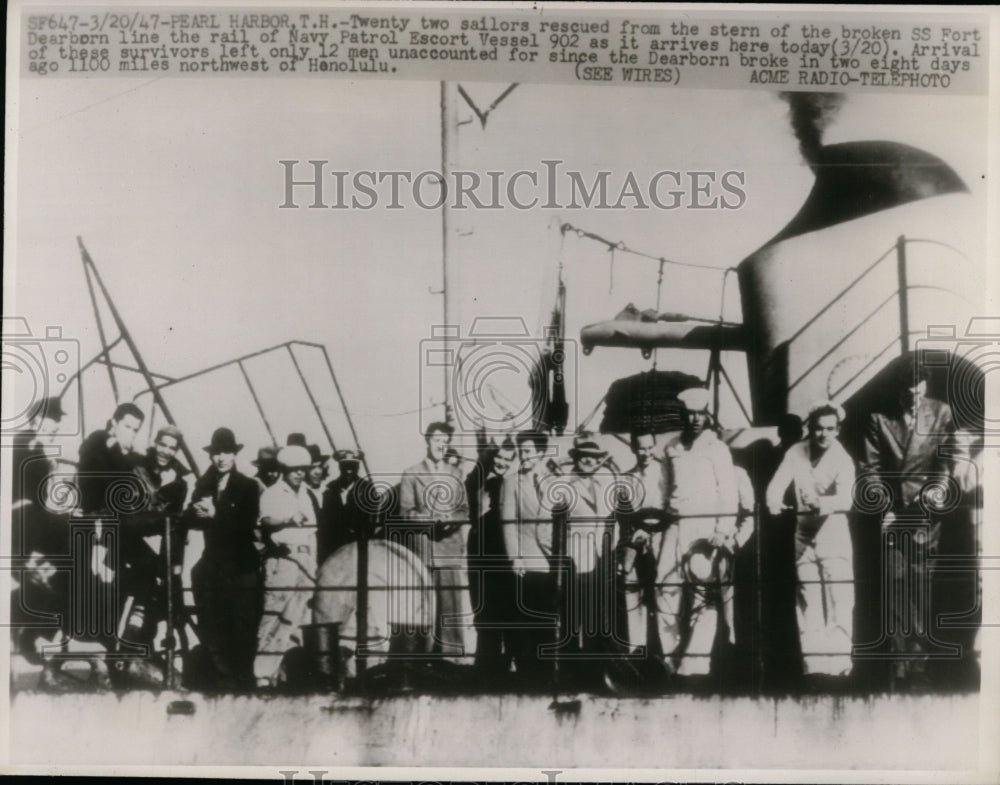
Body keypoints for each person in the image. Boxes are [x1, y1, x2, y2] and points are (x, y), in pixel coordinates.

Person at [857, 357, 969, 688]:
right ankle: (899, 668)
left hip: (925, 516)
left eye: (918, 393)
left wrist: (934, 493)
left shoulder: (942, 412)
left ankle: (919, 666)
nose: (913, 399)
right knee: (894, 587)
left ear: (925, 388)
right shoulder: (878, 419)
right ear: (898, 392)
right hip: (892, 516)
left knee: (921, 587)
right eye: (908, 395)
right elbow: (869, 469)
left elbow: (945, 463)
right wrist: (884, 508)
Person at [662, 387, 750, 677]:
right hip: (676, 526)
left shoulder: (717, 449)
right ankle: (667, 658)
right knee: (666, 589)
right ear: (682, 416)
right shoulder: (672, 447)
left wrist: (722, 530)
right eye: (690, 414)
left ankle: (695, 664)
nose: (695, 420)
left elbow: (728, 493)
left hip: (705, 529)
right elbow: (665, 489)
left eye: (700, 414)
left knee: (703, 595)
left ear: (707, 415)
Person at [766, 402, 855, 677]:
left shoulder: (842, 458)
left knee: (838, 598)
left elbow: (847, 499)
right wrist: (774, 502)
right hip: (804, 536)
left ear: (837, 430)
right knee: (808, 599)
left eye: (830, 429)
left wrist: (822, 503)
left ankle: (840, 666)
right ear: (810, 429)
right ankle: (815, 666)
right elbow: (776, 485)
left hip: (833, 535)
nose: (823, 435)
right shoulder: (796, 452)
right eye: (818, 428)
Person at [184, 427, 261, 692]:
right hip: (214, 568)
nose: (221, 458)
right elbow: (190, 517)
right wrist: (196, 511)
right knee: (213, 627)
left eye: (227, 452)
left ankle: (243, 684)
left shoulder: (248, 487)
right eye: (217, 453)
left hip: (240, 567)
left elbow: (245, 525)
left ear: (234, 454)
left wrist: (215, 515)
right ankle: (223, 682)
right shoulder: (204, 485)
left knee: (242, 629)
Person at [397, 421, 470, 658]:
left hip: (449, 550)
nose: (441, 445)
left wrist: (451, 518)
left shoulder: (456, 474)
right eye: (437, 440)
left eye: (445, 442)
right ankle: (421, 658)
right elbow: (405, 513)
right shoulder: (411, 473)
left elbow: (464, 511)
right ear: (427, 441)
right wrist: (431, 518)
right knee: (423, 606)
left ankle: (451, 660)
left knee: (450, 607)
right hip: (424, 549)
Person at [555, 432, 619, 680]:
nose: (589, 462)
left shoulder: (603, 486)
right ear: (577, 459)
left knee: (594, 613)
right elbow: (559, 526)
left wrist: (610, 550)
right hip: (574, 557)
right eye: (585, 458)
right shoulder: (566, 487)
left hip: (598, 557)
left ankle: (593, 671)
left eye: (594, 458)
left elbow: (609, 522)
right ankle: (571, 672)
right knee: (573, 616)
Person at [255, 445, 319, 686]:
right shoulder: (273, 493)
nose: (300, 474)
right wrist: (288, 520)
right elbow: (267, 522)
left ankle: (285, 676)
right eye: (294, 470)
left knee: (299, 618)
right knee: (274, 616)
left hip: (305, 560)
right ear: (285, 470)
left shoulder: (305, 494)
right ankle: (262, 675)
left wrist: (314, 563)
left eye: (303, 470)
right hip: (283, 559)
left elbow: (313, 531)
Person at [501, 430, 557, 685]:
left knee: (547, 617)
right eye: (521, 451)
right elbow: (508, 522)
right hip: (526, 558)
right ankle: (527, 672)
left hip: (550, 560)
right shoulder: (511, 481)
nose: (523, 456)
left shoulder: (554, 480)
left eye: (528, 452)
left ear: (541, 454)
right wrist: (515, 556)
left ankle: (546, 671)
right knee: (524, 617)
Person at [466, 437, 517, 678]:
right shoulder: (476, 480)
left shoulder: (512, 483)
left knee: (507, 606)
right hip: (480, 550)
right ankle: (486, 664)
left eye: (508, 459)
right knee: (483, 607)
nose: (502, 463)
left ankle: (507, 662)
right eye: (499, 457)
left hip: (503, 549)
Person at [318, 449, 382, 564]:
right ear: (339, 467)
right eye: (345, 467)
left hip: (359, 545)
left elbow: (372, 520)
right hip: (334, 546)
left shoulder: (367, 489)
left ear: (358, 467)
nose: (348, 471)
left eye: (352, 467)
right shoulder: (330, 489)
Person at [304, 444, 329, 521]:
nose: (317, 472)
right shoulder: (301, 492)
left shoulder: (329, 492)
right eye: (312, 468)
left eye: (320, 467)